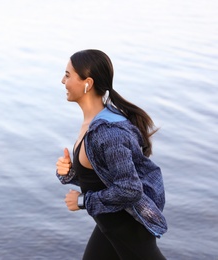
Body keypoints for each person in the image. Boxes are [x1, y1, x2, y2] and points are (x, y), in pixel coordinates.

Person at [55, 49, 167, 259]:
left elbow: (129, 189)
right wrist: (69, 173)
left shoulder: (108, 132)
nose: (63, 81)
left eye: (68, 75)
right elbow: (103, 176)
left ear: (87, 82)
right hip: (110, 224)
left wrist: (82, 201)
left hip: (130, 229)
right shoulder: (95, 122)